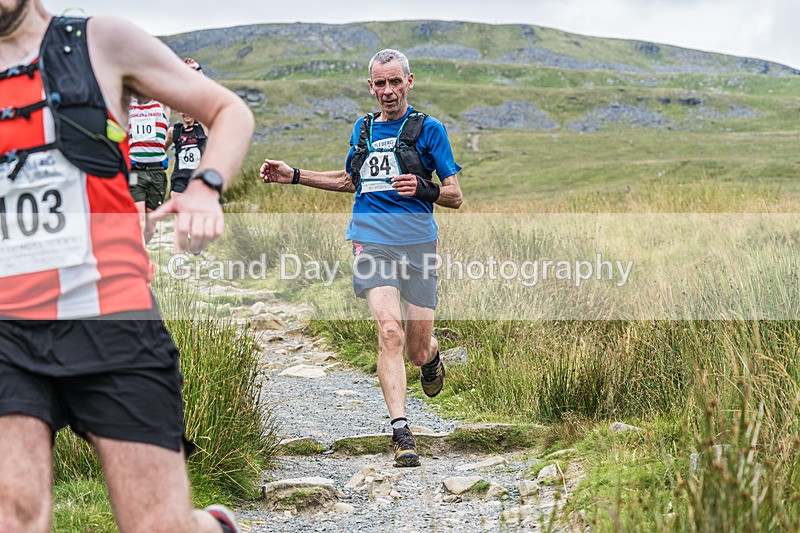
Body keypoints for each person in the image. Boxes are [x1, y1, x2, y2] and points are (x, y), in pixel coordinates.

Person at [0, 2, 254, 532]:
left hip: (110, 314)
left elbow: (229, 112)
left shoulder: (100, 42)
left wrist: (205, 188)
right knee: (15, 517)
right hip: (8, 329)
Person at [260, 48, 463, 467]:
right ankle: (401, 433)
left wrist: (423, 190)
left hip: (419, 244)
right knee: (389, 331)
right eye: (380, 83)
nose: (387, 91)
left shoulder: (430, 129)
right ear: (370, 86)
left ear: (409, 81)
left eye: (395, 82)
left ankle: (431, 356)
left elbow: (455, 195)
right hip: (370, 241)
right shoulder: (364, 128)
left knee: (416, 349)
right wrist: (294, 175)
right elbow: (349, 180)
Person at [128, 94, 170, 243]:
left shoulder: (162, 104)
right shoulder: (127, 105)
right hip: (135, 172)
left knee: (150, 227)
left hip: (157, 173)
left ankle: (142, 248)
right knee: (139, 220)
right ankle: (140, 261)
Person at [168, 111, 208, 198]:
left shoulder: (203, 129)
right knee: (177, 202)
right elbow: (162, 147)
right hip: (180, 177)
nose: (187, 113)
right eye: (183, 110)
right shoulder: (174, 131)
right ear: (179, 112)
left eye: (189, 110)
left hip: (198, 177)